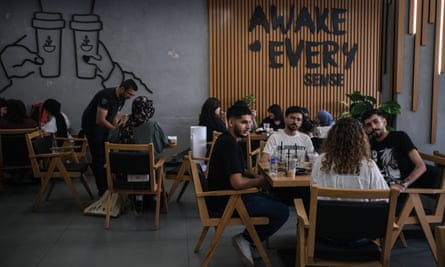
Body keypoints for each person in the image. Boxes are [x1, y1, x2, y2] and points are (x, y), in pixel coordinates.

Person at [207, 103, 289, 267]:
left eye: (249, 122)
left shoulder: (227, 139)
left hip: (227, 196)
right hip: (228, 201)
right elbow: (237, 183)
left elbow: (235, 173)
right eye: (243, 122)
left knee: (277, 200)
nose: (248, 126)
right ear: (230, 122)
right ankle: (246, 239)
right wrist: (260, 182)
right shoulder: (229, 144)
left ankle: (252, 241)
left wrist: (251, 175)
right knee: (283, 211)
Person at [81, 79, 138, 196]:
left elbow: (115, 117)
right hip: (93, 126)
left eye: (132, 95)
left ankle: (111, 185)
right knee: (100, 157)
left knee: (109, 155)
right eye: (129, 94)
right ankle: (102, 189)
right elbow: (100, 120)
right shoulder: (106, 96)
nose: (130, 97)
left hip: (105, 125)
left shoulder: (122, 98)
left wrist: (118, 128)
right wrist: (115, 130)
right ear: (122, 89)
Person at [311, 117, 389, 199]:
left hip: (325, 211)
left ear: (332, 138)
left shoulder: (321, 161)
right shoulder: (369, 166)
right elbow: (383, 197)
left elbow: (312, 189)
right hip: (361, 211)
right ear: (360, 140)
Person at [361, 109, 426, 193]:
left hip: (402, 192)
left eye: (376, 122)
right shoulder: (368, 145)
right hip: (379, 192)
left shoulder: (400, 137)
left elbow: (421, 166)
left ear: (384, 122)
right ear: (366, 129)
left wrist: (403, 184)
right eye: (369, 125)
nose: (373, 127)